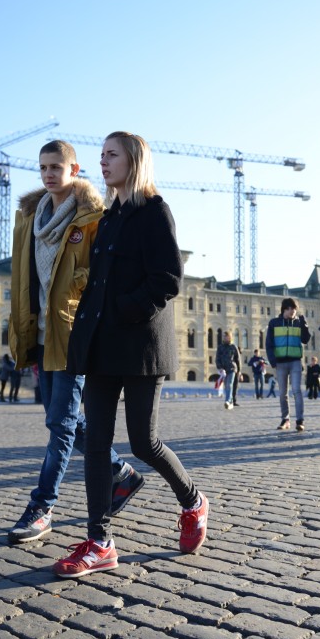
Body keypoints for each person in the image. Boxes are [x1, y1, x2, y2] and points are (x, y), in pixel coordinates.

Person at [56, 132, 208, 578]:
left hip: (140, 345)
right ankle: (100, 541)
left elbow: (167, 279)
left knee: (143, 442)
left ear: (134, 159)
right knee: (97, 444)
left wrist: (123, 310)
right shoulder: (108, 217)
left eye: (111, 155)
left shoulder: (154, 211)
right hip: (103, 346)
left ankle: (193, 501)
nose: (102, 162)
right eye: (100, 155)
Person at [7, 139, 142, 546]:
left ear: (74, 169)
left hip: (73, 335)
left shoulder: (92, 218)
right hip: (41, 335)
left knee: (60, 425)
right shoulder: (29, 219)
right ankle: (121, 473)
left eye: (55, 167)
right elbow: (25, 279)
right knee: (61, 417)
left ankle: (42, 506)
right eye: (43, 167)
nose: (48, 174)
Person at [265, 297, 311, 431]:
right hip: (280, 362)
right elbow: (269, 344)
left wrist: (304, 324)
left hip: (295, 361)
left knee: (297, 390)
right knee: (283, 393)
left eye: (294, 309)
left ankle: (300, 420)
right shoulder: (274, 323)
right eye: (290, 309)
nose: (292, 312)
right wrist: (273, 362)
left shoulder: (298, 323)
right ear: (284, 309)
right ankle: (285, 420)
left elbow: (305, 339)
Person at [215, 331, 241, 410]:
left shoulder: (233, 347)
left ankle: (227, 401)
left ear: (230, 337)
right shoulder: (220, 347)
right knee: (227, 386)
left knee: (229, 384)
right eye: (224, 336)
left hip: (232, 368)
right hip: (224, 370)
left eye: (227, 336)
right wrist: (220, 368)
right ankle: (231, 402)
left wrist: (239, 371)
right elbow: (217, 359)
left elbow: (238, 359)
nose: (226, 338)